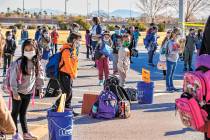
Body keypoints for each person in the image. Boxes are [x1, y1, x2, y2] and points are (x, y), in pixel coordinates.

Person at [10, 39, 44, 140]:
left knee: (23, 113)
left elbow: (39, 76)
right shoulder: (19, 62)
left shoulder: (36, 62)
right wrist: (15, 92)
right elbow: (13, 79)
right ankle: (15, 134)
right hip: (18, 92)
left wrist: (41, 89)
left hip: (28, 92)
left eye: (31, 49)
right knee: (15, 113)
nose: (29, 51)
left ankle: (26, 133)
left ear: (35, 49)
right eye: (26, 49)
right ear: (23, 50)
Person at [55, 32, 81, 116]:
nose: (79, 42)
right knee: (67, 92)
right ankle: (56, 105)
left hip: (69, 74)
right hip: (63, 73)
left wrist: (75, 72)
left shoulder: (73, 49)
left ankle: (68, 109)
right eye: (78, 40)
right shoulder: (66, 50)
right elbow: (68, 64)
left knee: (70, 92)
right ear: (73, 40)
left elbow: (75, 62)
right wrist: (73, 73)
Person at [165, 28, 181, 92]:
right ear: (174, 34)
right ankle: (167, 87)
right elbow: (171, 51)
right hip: (170, 60)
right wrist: (178, 51)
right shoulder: (170, 42)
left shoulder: (177, 41)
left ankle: (171, 86)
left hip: (175, 60)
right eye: (177, 34)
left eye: (179, 34)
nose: (178, 35)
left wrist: (181, 50)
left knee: (172, 75)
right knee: (168, 75)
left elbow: (179, 51)